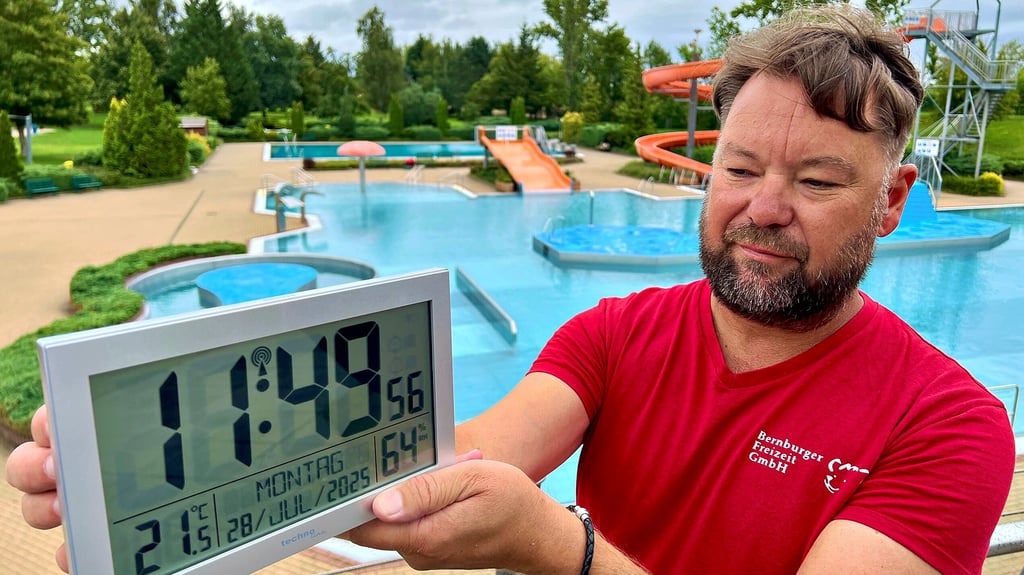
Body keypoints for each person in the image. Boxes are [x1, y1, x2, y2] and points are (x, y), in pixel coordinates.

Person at [7, 5, 1015, 574]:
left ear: (891, 203)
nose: (763, 206)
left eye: (817, 181)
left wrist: (558, 550)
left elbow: (524, 523)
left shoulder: (952, 426)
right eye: (740, 168)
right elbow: (444, 465)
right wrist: (159, 482)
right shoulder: (614, 333)